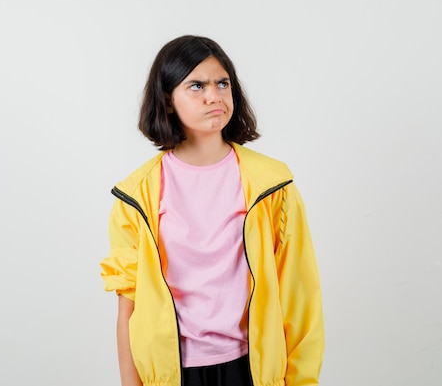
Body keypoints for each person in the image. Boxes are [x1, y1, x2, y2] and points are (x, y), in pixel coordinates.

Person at [100, 35, 324, 386]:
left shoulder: (272, 185)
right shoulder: (136, 196)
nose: (214, 95)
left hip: (251, 369)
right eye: (196, 86)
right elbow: (128, 308)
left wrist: (300, 381)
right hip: (174, 372)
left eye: (222, 83)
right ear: (168, 100)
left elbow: (300, 295)